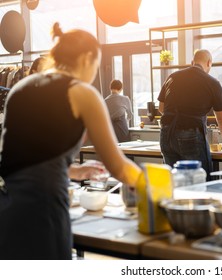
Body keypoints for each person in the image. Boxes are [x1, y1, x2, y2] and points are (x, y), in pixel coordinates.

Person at [0, 22, 141, 260]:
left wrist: (74, 170)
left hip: (7, 209)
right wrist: (157, 186)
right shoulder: (82, 93)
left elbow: (25, 158)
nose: (94, 73)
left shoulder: (21, 88)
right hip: (43, 211)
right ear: (87, 58)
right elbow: (118, 166)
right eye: (96, 65)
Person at [157, 49, 222, 177]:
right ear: (209, 63)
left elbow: (161, 108)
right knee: (198, 180)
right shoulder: (212, 83)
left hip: (166, 134)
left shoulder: (173, 77)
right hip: (190, 133)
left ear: (193, 62)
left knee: (173, 181)